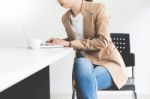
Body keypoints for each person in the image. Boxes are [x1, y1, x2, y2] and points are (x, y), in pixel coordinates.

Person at [47, 0, 128, 99]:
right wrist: (59, 41)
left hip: (108, 64)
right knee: (80, 63)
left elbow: (102, 41)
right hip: (83, 66)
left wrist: (69, 43)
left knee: (82, 84)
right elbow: (75, 40)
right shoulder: (65, 18)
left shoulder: (98, 8)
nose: (57, 0)